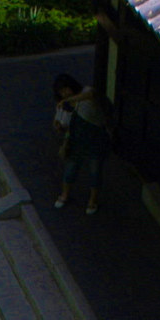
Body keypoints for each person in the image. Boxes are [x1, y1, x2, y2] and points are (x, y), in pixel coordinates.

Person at [51, 74, 109, 215]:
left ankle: (92, 200)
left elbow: (91, 94)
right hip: (76, 140)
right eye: (62, 92)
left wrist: (69, 100)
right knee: (70, 169)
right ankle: (64, 195)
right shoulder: (66, 106)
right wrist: (60, 127)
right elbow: (67, 125)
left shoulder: (85, 93)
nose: (65, 94)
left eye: (66, 90)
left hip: (95, 139)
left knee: (95, 171)